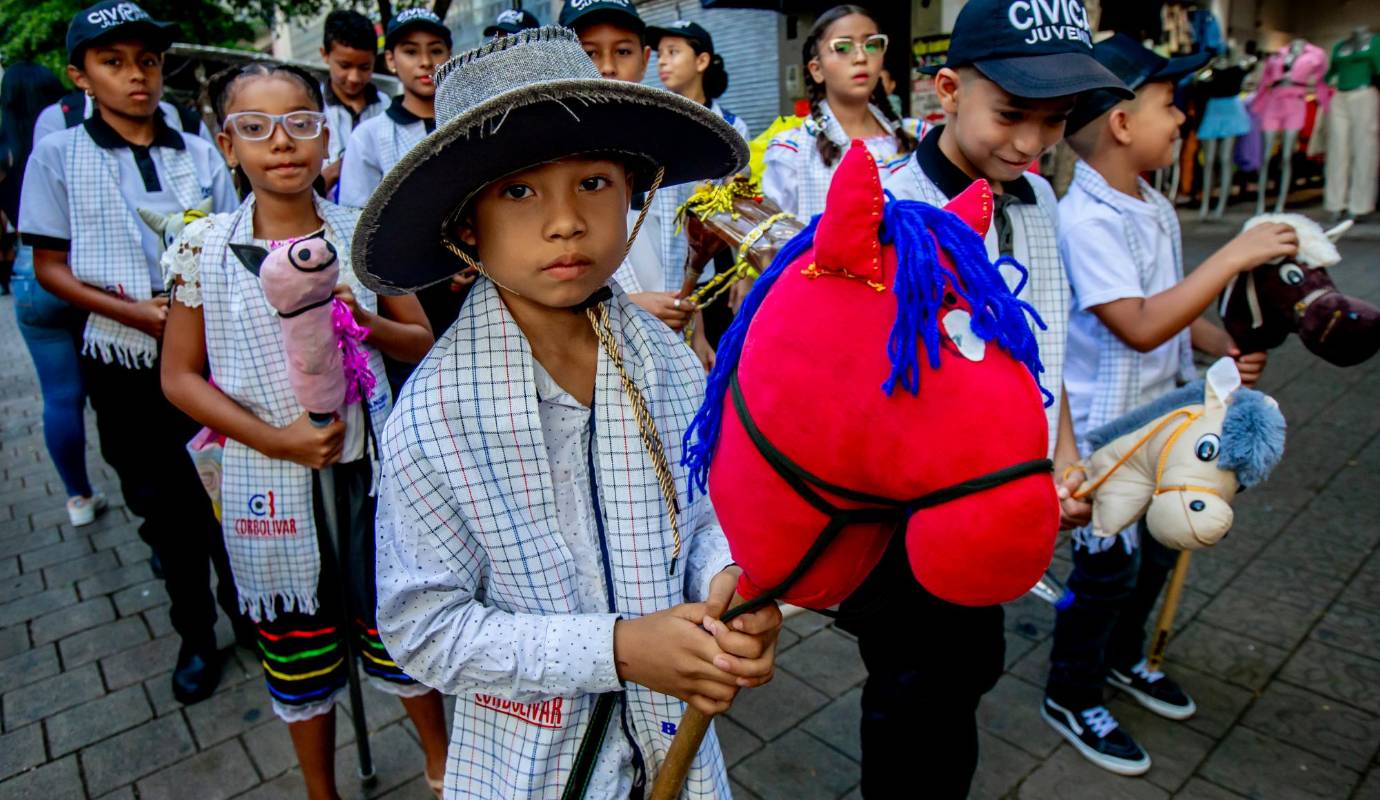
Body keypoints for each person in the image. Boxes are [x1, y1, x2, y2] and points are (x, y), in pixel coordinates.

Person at [354, 27, 782, 798]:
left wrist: (731, 585)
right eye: (518, 191)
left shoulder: (666, 361)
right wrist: (615, 650)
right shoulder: (435, 418)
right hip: (529, 772)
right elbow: (423, 628)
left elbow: (707, 506)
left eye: (593, 182)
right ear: (464, 230)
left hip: (675, 747)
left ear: (636, 190)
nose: (565, 221)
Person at [858, 0, 1131, 795]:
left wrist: (1065, 456)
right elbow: (870, 396)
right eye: (1011, 114)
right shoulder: (884, 210)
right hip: (917, 520)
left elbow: (1041, 356)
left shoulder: (1041, 198)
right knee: (913, 695)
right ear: (947, 89)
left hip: (1009, 507)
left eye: (1055, 121)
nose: (1031, 143)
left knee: (971, 669)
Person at [158, 60, 450, 800]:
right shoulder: (203, 248)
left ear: (328, 138)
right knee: (298, 645)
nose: (280, 143)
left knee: (394, 618)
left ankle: (443, 761)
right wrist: (276, 440)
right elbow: (180, 377)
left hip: (374, 471)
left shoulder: (364, 234)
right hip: (271, 483)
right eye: (255, 128)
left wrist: (368, 321)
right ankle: (320, 788)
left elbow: (420, 340)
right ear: (227, 145)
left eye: (300, 123)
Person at [1044, 34, 1297, 776]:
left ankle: (1125, 659)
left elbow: (1173, 311)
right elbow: (1138, 320)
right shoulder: (1085, 218)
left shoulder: (1151, 202)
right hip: (1107, 438)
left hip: (1168, 422)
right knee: (1105, 575)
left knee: (1159, 551)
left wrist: (1222, 341)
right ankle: (1071, 689)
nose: (1183, 118)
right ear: (1121, 123)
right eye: (1169, 103)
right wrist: (1233, 255)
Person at [18, 0, 245, 704]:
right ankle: (196, 634)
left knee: (227, 494)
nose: (136, 77)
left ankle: (251, 614)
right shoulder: (59, 154)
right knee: (163, 504)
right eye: (113, 62)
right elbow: (51, 265)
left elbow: (233, 233)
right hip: (122, 356)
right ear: (78, 74)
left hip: (214, 354)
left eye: (147, 60)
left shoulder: (196, 147)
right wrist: (135, 312)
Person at [561, 0, 714, 368]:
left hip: (672, 353)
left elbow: (684, 256)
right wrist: (628, 307)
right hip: (593, 359)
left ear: (645, 59)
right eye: (589, 53)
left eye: (623, 51)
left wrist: (698, 331)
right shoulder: (548, 160)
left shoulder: (672, 152)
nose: (608, 67)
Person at [338, 7, 468, 393]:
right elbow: (360, 224)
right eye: (411, 51)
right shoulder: (371, 135)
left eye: (436, 49)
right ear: (391, 60)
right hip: (407, 296)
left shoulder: (470, 121)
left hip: (480, 280)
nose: (426, 62)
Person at [2, 62, 105, 525]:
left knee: (60, 396)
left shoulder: (8, 137)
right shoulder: (70, 122)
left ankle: (78, 498)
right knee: (108, 388)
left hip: (28, 274)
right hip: (82, 269)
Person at [761, 5, 923, 221]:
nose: (860, 57)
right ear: (816, 70)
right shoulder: (793, 151)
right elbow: (777, 241)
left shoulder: (916, 136)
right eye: (843, 48)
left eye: (872, 44)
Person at [647, 19, 750, 346]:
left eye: (673, 52)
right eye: (660, 54)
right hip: (662, 257)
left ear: (702, 61)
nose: (662, 61)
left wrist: (744, 272)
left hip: (715, 260)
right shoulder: (652, 120)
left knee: (719, 353)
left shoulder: (732, 127)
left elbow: (737, 205)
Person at [319, 9, 389, 198]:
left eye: (364, 67)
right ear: (325, 54)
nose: (354, 77)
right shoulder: (314, 108)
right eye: (345, 66)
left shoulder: (386, 107)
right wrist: (345, 165)